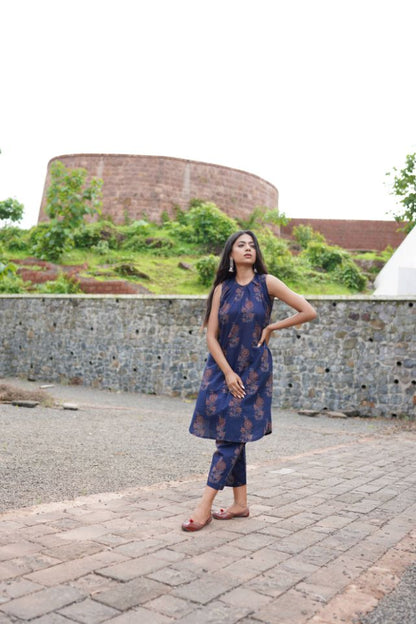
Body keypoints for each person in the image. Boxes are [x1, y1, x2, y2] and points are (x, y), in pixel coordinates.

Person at [182, 230, 317, 532]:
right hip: (222, 369)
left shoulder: (267, 283)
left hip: (254, 370)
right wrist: (228, 372)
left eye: (252, 245)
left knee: (230, 437)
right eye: (241, 245)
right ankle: (240, 503)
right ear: (230, 253)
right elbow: (211, 336)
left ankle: (203, 506)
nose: (247, 249)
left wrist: (272, 327)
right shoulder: (222, 288)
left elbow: (308, 311)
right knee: (231, 434)